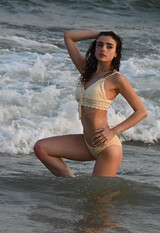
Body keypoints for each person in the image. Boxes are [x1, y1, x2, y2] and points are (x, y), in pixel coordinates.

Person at [34, 30, 147, 178]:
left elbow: (141, 111)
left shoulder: (116, 79)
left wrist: (113, 131)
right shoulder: (86, 71)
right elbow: (69, 36)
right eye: (99, 45)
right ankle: (71, 182)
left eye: (109, 46)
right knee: (41, 148)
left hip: (107, 147)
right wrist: (101, 33)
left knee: (98, 200)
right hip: (86, 143)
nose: (103, 49)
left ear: (116, 53)